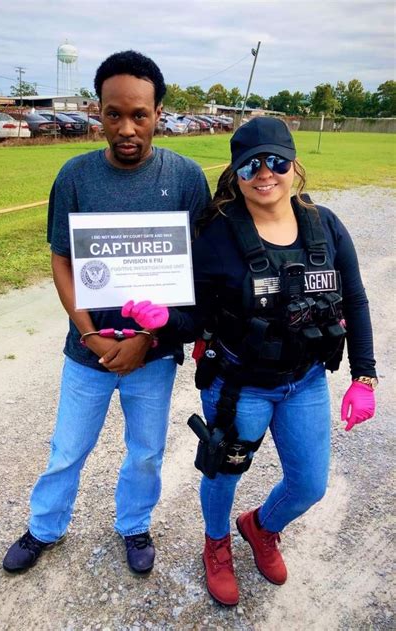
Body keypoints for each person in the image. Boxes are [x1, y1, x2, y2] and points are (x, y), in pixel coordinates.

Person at [125, 117, 377, 605]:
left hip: (304, 381)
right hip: (239, 386)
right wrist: (159, 323)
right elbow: (193, 320)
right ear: (237, 170)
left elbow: (357, 301)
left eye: (277, 161)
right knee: (224, 473)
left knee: (309, 484)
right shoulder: (216, 238)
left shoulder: (325, 225)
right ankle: (216, 543)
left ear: (294, 165)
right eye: (251, 164)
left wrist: (363, 375)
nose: (265, 173)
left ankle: (261, 528)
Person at [2, 50, 210, 576]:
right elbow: (61, 259)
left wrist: (150, 342)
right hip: (85, 351)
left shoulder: (185, 178)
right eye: (113, 113)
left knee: (145, 451)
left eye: (139, 114)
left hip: (153, 355)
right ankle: (44, 527)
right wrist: (89, 333)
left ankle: (134, 524)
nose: (126, 128)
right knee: (67, 449)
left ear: (159, 112)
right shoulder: (74, 176)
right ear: (97, 111)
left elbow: (200, 274)